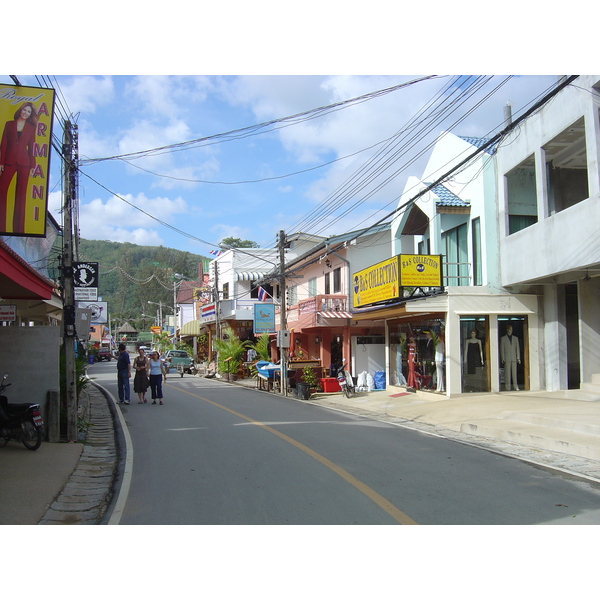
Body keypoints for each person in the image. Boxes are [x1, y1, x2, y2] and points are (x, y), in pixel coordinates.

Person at [0, 102, 38, 234]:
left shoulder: (30, 128)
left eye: (28, 112)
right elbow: (3, 143)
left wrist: (33, 165)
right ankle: (1, 227)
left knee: (21, 196)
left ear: (30, 115)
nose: (25, 113)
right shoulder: (9, 124)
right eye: (24, 110)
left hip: (24, 163)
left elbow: (32, 147)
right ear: (20, 110)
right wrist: (1, 162)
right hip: (9, 161)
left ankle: (18, 230)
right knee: (1, 191)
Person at [500, 325, 521, 391]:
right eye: (509, 329)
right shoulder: (503, 338)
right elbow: (502, 349)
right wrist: (503, 357)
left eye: (511, 329)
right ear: (507, 330)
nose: (510, 331)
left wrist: (518, 357)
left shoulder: (515, 338)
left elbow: (517, 348)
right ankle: (508, 387)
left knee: (514, 373)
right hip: (507, 357)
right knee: (507, 373)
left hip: (514, 357)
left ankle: (515, 386)